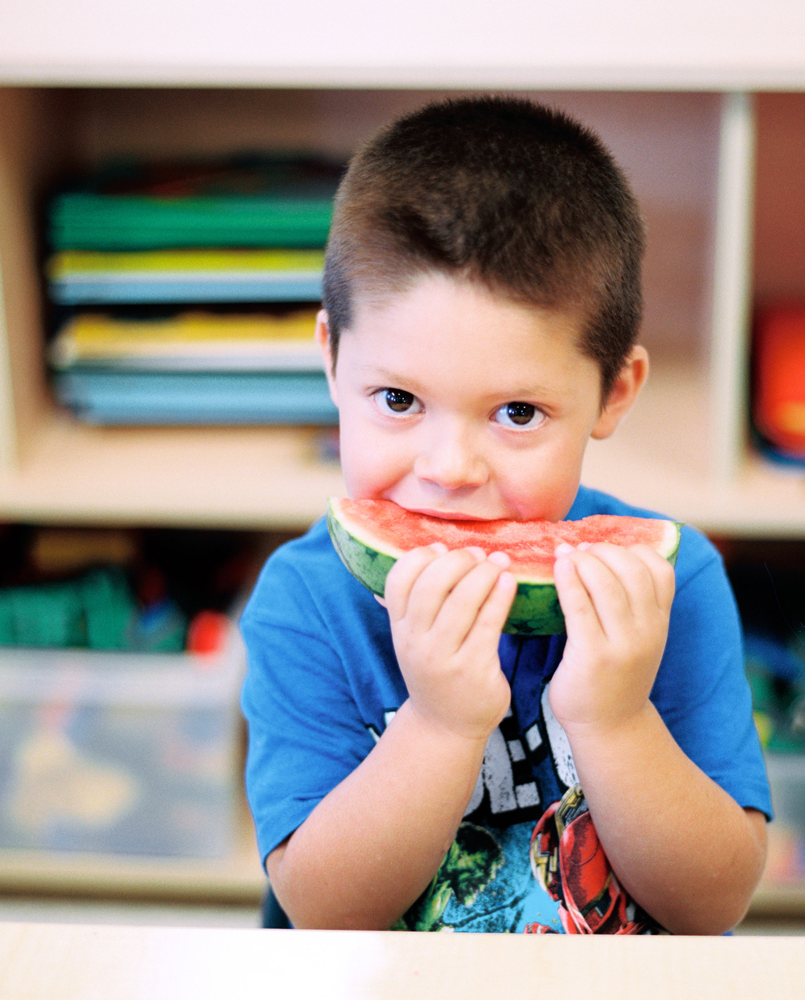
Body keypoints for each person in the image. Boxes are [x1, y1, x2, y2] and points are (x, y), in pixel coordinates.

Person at [239, 95, 770, 935]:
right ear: (332, 362)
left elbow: (714, 905)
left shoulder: (668, 584)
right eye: (398, 399)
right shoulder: (305, 603)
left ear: (613, 392)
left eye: (517, 413)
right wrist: (441, 724)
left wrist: (617, 718)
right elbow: (321, 915)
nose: (449, 471)